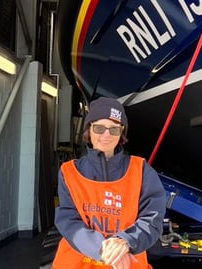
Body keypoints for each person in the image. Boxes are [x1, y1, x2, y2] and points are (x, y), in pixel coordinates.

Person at [52, 97, 167, 269]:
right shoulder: (69, 172)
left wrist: (125, 241)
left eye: (114, 129)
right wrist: (105, 249)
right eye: (99, 128)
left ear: (121, 133)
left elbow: (152, 219)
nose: (106, 135)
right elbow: (67, 219)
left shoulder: (141, 169)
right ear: (88, 130)